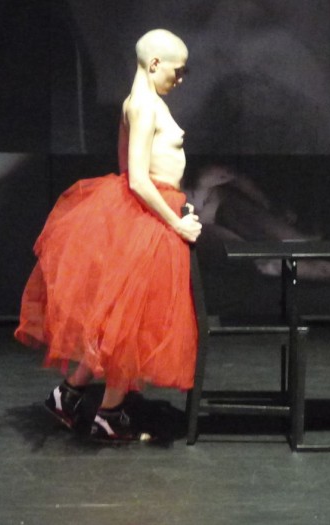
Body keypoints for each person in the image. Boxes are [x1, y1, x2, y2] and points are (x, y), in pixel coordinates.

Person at [15, 29, 202, 442]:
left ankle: (68, 395)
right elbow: (136, 177)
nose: (181, 78)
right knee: (132, 322)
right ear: (154, 64)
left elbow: (133, 169)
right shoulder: (144, 106)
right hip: (150, 220)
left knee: (122, 318)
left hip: (151, 214)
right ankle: (109, 413)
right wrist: (174, 222)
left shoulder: (141, 103)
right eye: (178, 70)